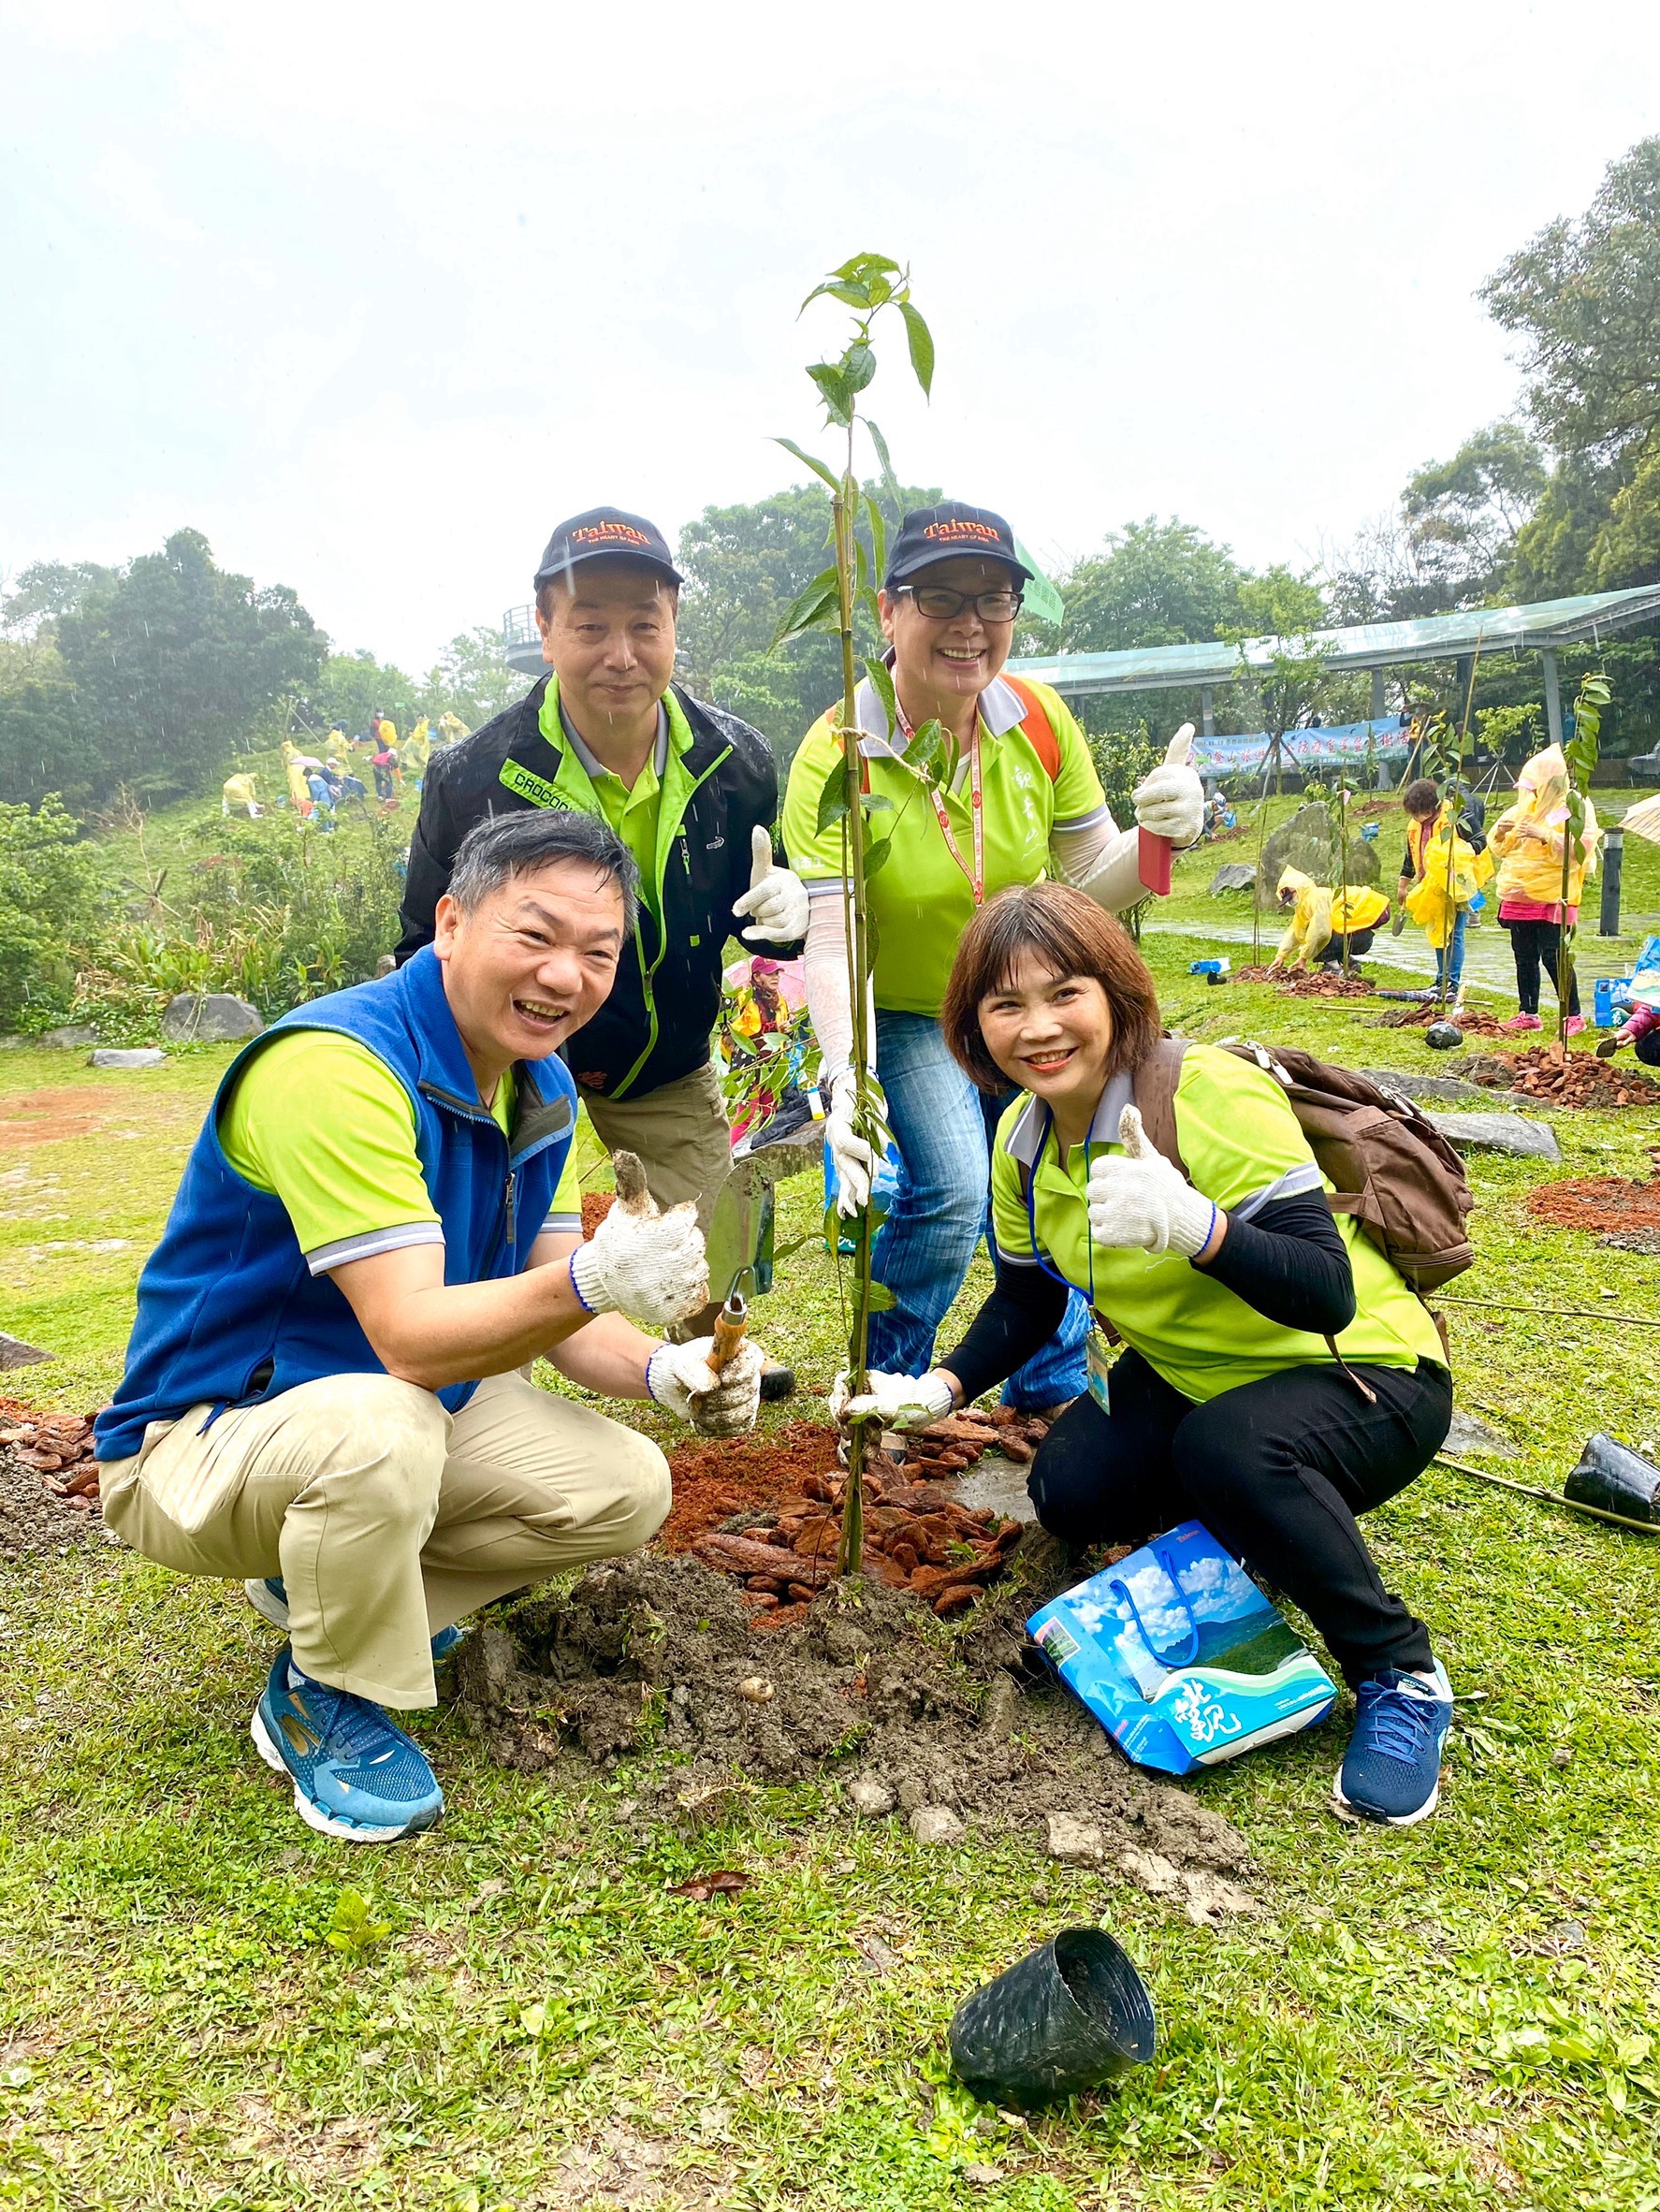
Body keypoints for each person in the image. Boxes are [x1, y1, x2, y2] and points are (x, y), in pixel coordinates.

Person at [93, 811, 766, 1844]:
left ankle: (330, 1589)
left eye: (598, 952)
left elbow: (558, 1317)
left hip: (390, 1410)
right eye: (534, 936)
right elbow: (410, 1337)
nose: (565, 976)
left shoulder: (537, 1084)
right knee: (382, 1427)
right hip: (202, 1438)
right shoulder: (337, 1067)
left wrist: (667, 1366)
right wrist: (598, 1274)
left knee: (623, 1486)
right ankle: (325, 1688)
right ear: (449, 921)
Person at [838, 880, 1456, 1826]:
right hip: (1194, 1374)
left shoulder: (1205, 1094)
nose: (1037, 1027)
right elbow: (1027, 1297)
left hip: (1360, 1375)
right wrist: (940, 1385)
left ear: (1116, 996)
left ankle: (1399, 1674)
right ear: (973, 1026)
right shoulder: (1022, 1139)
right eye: (1005, 1005)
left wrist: (1195, 1226)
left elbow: (1323, 1289)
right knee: (1072, 1489)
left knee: (1233, 1450)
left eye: (1063, 994)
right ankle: (1256, 1545)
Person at [781, 502, 1204, 1414]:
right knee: (952, 1192)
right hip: (906, 1011)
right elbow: (833, 927)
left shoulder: (1040, 722)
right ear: (889, 613)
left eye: (995, 597)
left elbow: (1089, 881)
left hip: (1019, 1006)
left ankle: (1049, 1387)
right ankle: (883, 1385)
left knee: (1050, 1180)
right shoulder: (839, 750)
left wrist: (1158, 834)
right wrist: (846, 1072)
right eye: (940, 596)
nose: (970, 623)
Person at [397, 506, 808, 1390]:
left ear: (672, 631)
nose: (619, 655)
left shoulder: (735, 761)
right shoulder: (474, 777)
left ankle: (715, 1360)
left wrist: (788, 913)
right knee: (477, 1229)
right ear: (544, 630)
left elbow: (762, 918)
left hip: (660, 1056)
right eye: (589, 626)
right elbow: (416, 943)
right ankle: (473, 1369)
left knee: (714, 1243)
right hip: (504, 1061)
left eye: (642, 626)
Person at [1488, 744, 1599, 1034]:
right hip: (1519, 893)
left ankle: (1572, 1014)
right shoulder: (1525, 807)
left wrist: (1546, 835)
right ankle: (1528, 1012)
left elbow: (1581, 848)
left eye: (1537, 787)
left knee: (1554, 953)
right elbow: (1501, 846)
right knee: (1523, 954)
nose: (1533, 793)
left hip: (1555, 893)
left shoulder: (1573, 807)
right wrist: (1500, 832)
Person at [1396, 779, 1486, 997]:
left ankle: (1451, 983)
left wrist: (1456, 854)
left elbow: (1480, 841)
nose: (1416, 817)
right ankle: (1441, 980)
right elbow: (1411, 856)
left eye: (1419, 812)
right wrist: (1403, 885)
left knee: (1454, 932)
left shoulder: (1456, 815)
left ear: (1432, 805)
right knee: (1438, 931)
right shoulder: (1415, 826)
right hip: (1430, 887)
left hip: (1457, 884)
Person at [1268, 866, 1390, 970]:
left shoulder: (1316, 898)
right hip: (1359, 932)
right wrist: (1281, 956)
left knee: (1320, 942)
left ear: (1298, 889)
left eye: (1291, 896)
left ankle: (1334, 967)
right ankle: (1347, 963)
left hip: (1365, 929)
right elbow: (1295, 931)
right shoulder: (1305, 904)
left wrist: (1303, 957)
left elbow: (1321, 932)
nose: (1292, 901)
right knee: (1318, 940)